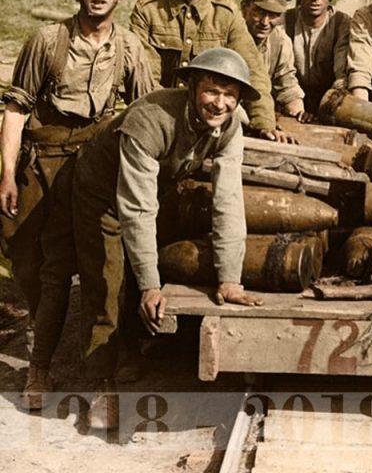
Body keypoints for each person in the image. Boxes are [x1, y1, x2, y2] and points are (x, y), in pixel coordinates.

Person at [73, 48, 263, 429]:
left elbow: (228, 199)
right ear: (192, 87)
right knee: (107, 280)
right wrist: (150, 285)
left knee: (157, 260)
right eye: (212, 91)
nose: (220, 103)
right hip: (102, 194)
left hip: (156, 187)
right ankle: (101, 382)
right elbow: (135, 209)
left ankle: (136, 345)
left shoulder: (230, 123)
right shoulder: (150, 120)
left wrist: (229, 278)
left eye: (231, 95)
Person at [0, 0, 155, 410]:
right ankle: (44, 344)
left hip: (93, 166)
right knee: (26, 259)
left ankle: (66, 370)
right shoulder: (46, 41)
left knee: (94, 268)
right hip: (40, 161)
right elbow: (16, 109)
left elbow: (144, 111)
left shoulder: (129, 47)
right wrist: (7, 174)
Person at [129, 0, 289, 142]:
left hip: (212, 114)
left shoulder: (226, 14)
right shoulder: (148, 10)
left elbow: (254, 71)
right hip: (160, 114)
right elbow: (146, 77)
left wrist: (265, 124)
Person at [283, 0, 351, 114]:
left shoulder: (342, 23)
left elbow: (343, 73)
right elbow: (282, 71)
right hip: (292, 93)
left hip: (328, 95)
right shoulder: (286, 21)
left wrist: (330, 104)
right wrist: (295, 103)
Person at [238, 0, 308, 120]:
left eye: (273, 15)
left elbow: (286, 83)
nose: (265, 22)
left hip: (260, 110)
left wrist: (299, 113)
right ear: (245, 8)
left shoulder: (280, 41)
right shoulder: (231, 33)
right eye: (259, 12)